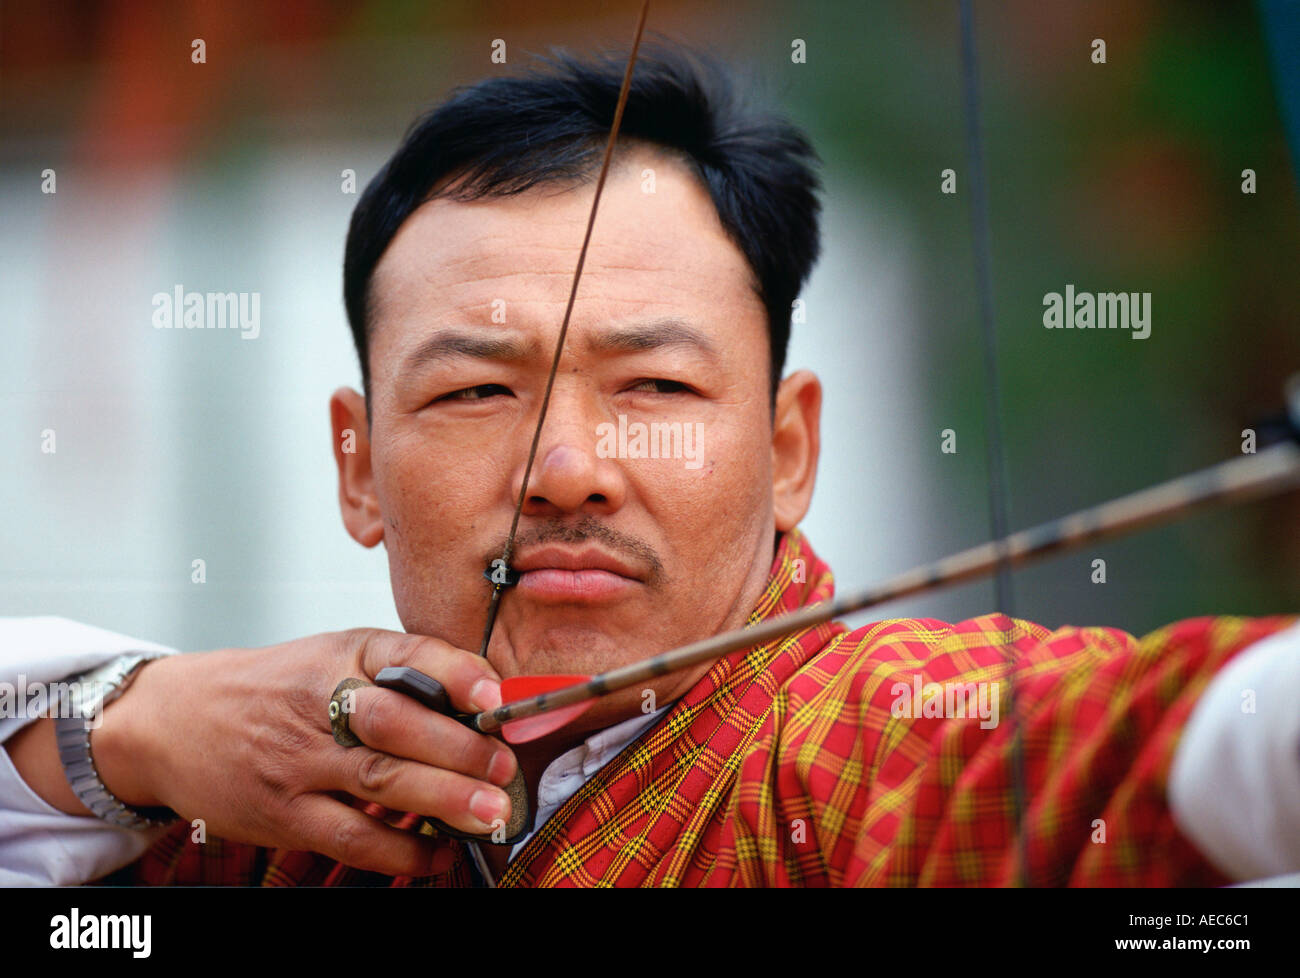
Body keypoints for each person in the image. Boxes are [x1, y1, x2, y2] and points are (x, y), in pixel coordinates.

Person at [2, 48, 1297, 888]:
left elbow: (1160, 748)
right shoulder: (265, 806)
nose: (570, 469)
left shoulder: (863, 741)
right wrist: (129, 724)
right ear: (357, 465)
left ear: (789, 448)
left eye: (659, 386)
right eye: (475, 389)